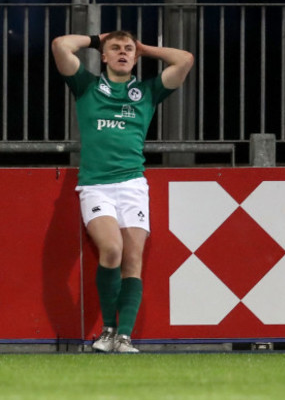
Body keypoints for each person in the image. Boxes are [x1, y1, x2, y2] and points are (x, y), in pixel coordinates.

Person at [51, 31, 194, 353]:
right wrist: (95, 38)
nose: (122, 52)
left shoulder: (146, 92)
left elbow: (184, 59)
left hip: (132, 185)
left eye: (128, 49)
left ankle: (124, 338)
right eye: (115, 48)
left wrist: (144, 48)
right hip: (96, 185)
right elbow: (61, 45)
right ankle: (108, 329)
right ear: (103, 55)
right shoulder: (86, 86)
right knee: (112, 250)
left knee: (132, 260)